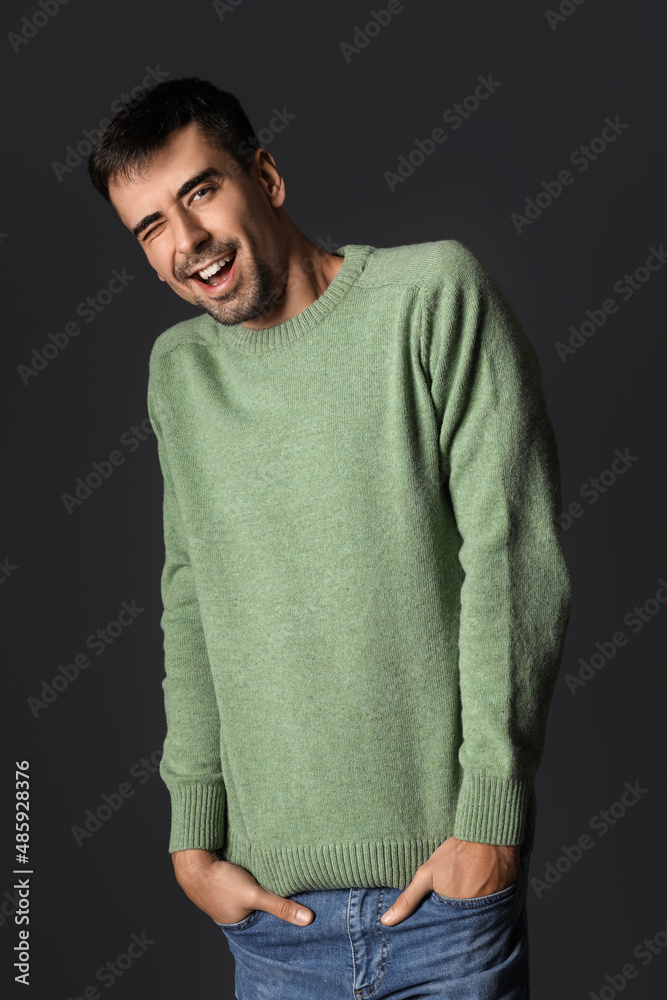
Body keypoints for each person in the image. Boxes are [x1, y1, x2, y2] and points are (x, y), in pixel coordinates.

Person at [87, 76, 572, 998]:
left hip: (444, 906)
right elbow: (190, 599)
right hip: (272, 922)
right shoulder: (179, 374)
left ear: (264, 177)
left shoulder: (430, 294)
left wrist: (490, 823)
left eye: (199, 192)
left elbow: (513, 559)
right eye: (149, 226)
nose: (186, 244)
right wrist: (192, 839)